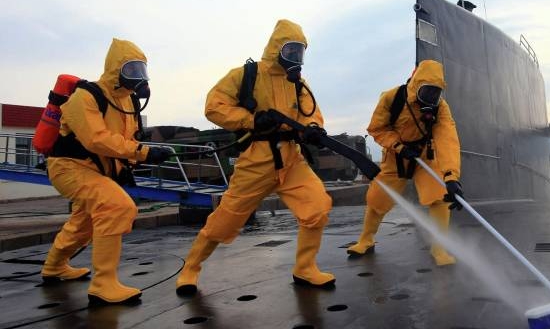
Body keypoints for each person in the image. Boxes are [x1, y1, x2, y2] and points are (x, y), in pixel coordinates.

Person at [176, 19, 335, 294]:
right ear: (276, 49)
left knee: (317, 207)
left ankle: (305, 268)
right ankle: (190, 268)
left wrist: (313, 129)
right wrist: (250, 120)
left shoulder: (298, 83)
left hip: (292, 159)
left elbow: (311, 113)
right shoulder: (246, 74)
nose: (296, 58)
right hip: (256, 161)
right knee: (225, 220)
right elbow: (214, 106)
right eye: (290, 51)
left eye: (300, 52)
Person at [40, 38, 172, 304]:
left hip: (97, 171)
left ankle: (54, 266)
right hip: (69, 167)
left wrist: (137, 160)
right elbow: (96, 140)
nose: (138, 77)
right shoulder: (86, 97)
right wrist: (144, 152)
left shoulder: (129, 103)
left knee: (83, 223)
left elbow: (125, 138)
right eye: (131, 70)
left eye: (141, 70)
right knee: (115, 207)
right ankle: (103, 284)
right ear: (115, 68)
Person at [347, 59, 464, 266]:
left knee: (440, 196)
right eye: (427, 92)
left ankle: (439, 248)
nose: (431, 98)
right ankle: (366, 240)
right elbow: (377, 128)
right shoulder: (392, 99)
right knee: (377, 199)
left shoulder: (440, 108)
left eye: (435, 93)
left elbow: (447, 140)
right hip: (395, 157)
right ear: (416, 85)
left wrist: (451, 176)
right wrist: (399, 147)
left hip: (424, 157)